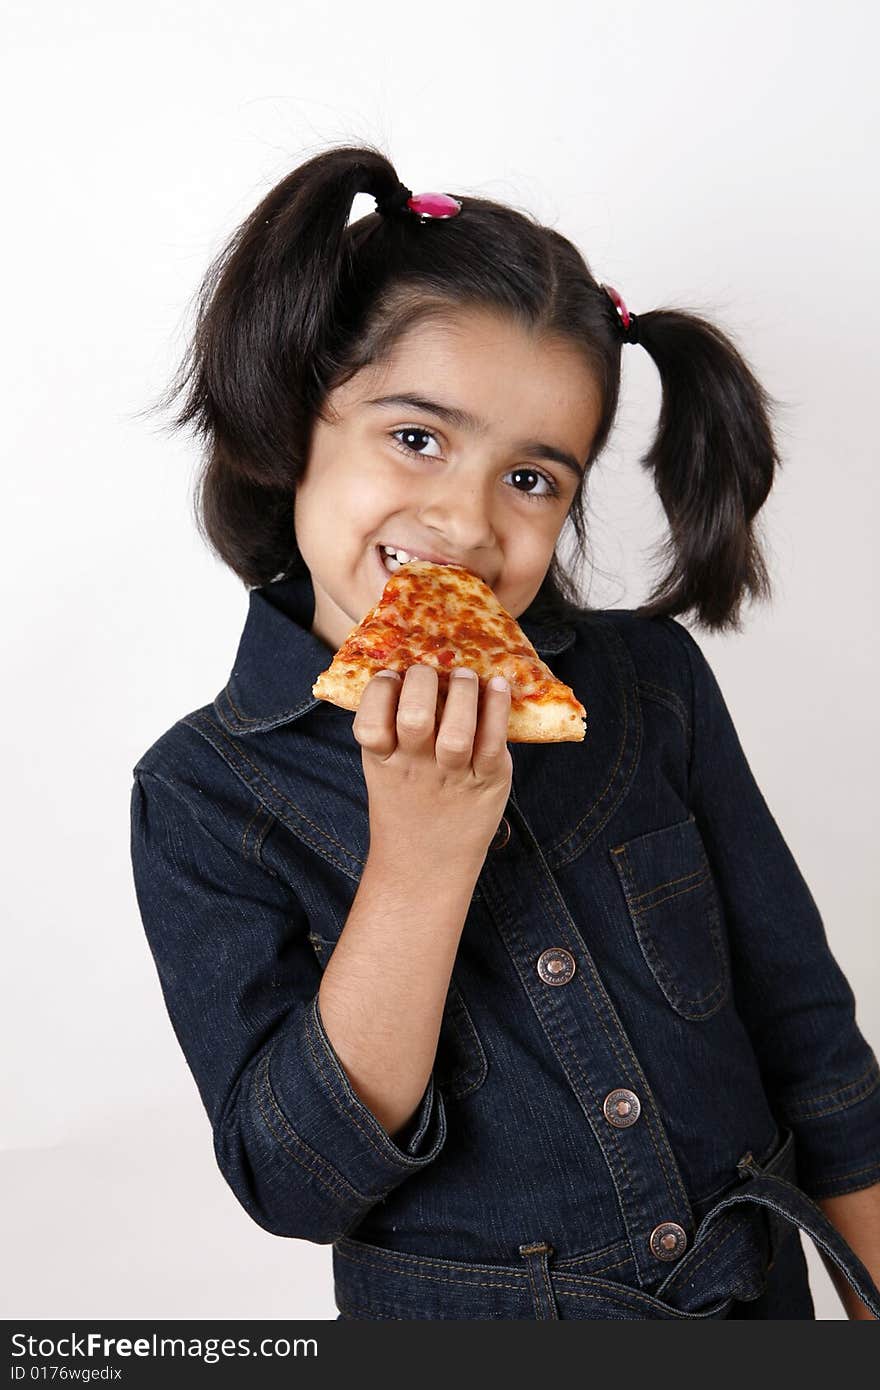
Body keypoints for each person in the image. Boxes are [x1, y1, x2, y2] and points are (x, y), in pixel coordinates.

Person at [129, 143, 880, 1321]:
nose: (464, 521)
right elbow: (292, 1179)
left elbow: (811, 1040)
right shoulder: (200, 793)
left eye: (531, 479)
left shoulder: (652, 685)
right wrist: (420, 860)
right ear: (298, 418)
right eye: (416, 437)